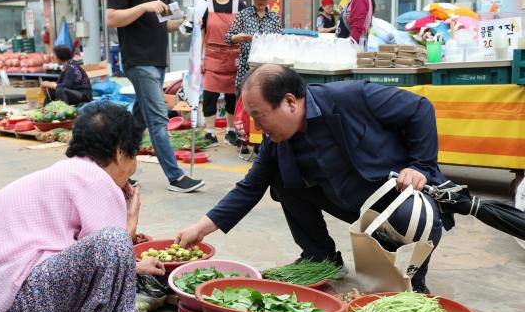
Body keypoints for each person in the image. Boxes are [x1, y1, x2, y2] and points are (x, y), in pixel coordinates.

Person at [177, 64, 454, 293]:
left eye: (259, 116)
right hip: (348, 202)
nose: (257, 127)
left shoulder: (353, 96)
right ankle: (322, 256)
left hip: (391, 196)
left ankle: (415, 280)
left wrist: (419, 165)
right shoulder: (276, 141)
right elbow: (250, 187)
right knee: (282, 181)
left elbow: (420, 108)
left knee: (417, 215)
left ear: (289, 102)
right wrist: (199, 229)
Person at [0, 101, 173, 312]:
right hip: (11, 301)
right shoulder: (96, 180)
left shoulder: (68, 172)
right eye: (134, 154)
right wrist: (131, 217)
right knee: (114, 241)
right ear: (120, 152)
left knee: (110, 245)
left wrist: (135, 265)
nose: (133, 166)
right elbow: (111, 251)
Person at [107, 0, 204, 193]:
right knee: (159, 117)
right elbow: (111, 18)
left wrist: (188, 19)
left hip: (159, 61)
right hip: (139, 61)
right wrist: (143, 7)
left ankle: (109, 166)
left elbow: (168, 24)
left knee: (139, 120)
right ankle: (176, 177)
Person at [201, 0, 246, 147]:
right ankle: (210, 133)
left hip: (234, 56)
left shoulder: (239, 5)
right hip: (212, 57)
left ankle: (231, 132)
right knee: (209, 95)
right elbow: (201, 33)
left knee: (232, 97)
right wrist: (200, 58)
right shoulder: (205, 6)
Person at [225, 0, 282, 98]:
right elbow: (228, 37)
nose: (260, 0)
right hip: (246, 67)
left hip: (268, 69)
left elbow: (279, 41)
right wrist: (238, 37)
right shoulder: (243, 15)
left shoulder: (274, 17)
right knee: (245, 103)